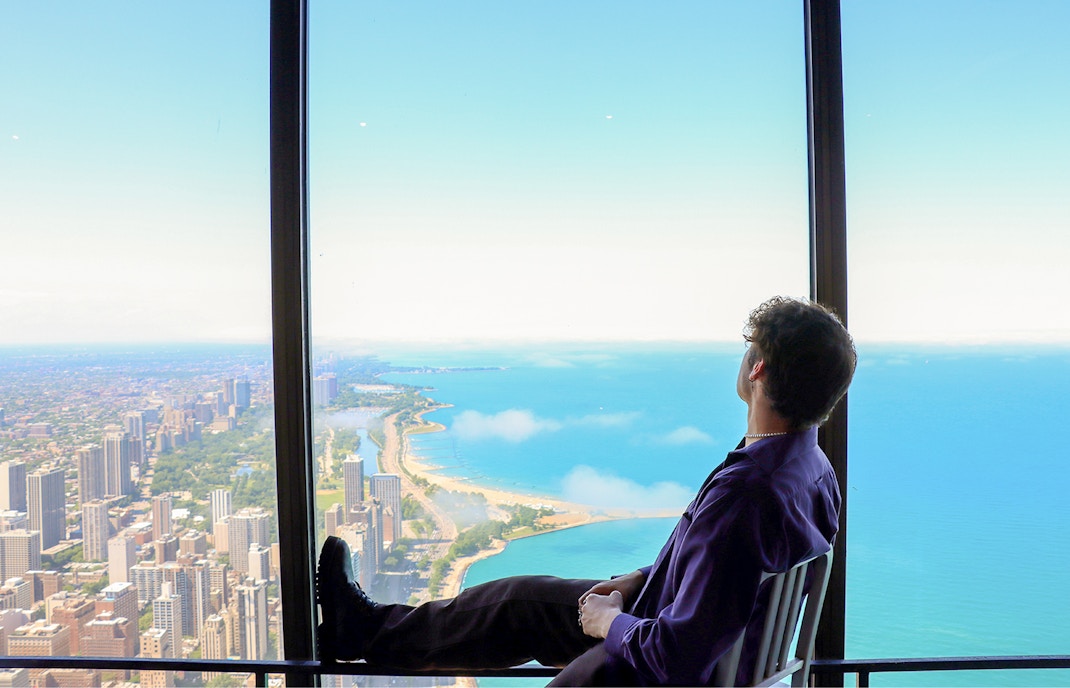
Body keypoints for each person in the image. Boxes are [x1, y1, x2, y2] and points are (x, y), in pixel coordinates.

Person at [316, 296, 856, 686]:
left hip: (666, 669)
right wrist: (637, 580)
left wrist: (610, 622)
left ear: (757, 368)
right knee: (519, 600)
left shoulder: (748, 492)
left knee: (556, 624)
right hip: (686, 634)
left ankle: (365, 633)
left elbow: (679, 655)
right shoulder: (812, 470)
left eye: (748, 353)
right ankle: (363, 630)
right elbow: (720, 578)